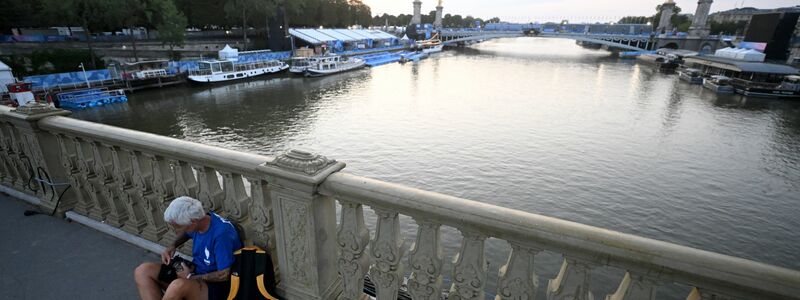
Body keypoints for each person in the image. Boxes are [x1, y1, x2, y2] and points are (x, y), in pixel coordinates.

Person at [134, 196, 242, 300]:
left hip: (216, 286)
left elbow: (224, 274)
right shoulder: (201, 220)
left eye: (178, 227)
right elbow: (186, 233)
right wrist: (172, 246)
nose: (176, 231)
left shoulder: (221, 235)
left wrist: (190, 277)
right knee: (143, 271)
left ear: (193, 222)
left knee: (176, 287)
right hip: (194, 272)